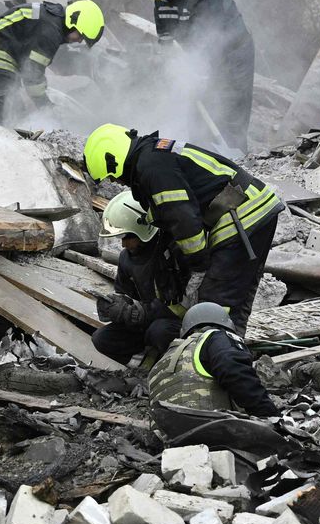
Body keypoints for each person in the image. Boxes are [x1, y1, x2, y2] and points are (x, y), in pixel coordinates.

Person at [82, 123, 280, 333]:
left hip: (242, 216)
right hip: (253, 210)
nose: (117, 182)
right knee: (233, 304)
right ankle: (231, 356)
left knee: (214, 303)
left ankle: (216, 357)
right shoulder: (154, 157)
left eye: (111, 176)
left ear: (113, 161)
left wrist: (198, 265)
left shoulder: (152, 169)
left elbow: (182, 219)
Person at [141, 0, 255, 149]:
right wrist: (173, 70)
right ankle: (202, 155)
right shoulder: (162, 1)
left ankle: (236, 157)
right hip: (200, 56)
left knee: (231, 107)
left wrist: (199, 74)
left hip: (234, 54)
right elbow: (166, 41)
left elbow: (211, 41)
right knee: (197, 109)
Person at [145, 302, 286, 453]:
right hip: (211, 442)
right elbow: (236, 373)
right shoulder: (215, 336)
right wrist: (271, 417)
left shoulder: (160, 363)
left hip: (167, 452)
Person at [0, 0, 105, 125]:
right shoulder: (50, 32)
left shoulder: (53, 17)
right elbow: (32, 75)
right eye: (81, 35)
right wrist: (45, 105)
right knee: (9, 118)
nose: (79, 41)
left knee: (16, 110)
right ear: (72, 23)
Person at [92, 192, 187, 364]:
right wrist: (114, 306)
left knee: (159, 332)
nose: (123, 244)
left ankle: (172, 367)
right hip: (146, 321)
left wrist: (141, 313)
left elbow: (183, 304)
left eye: (127, 237)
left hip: (176, 324)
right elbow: (125, 293)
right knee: (102, 339)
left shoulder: (172, 252)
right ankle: (143, 366)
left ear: (142, 229)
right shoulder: (126, 258)